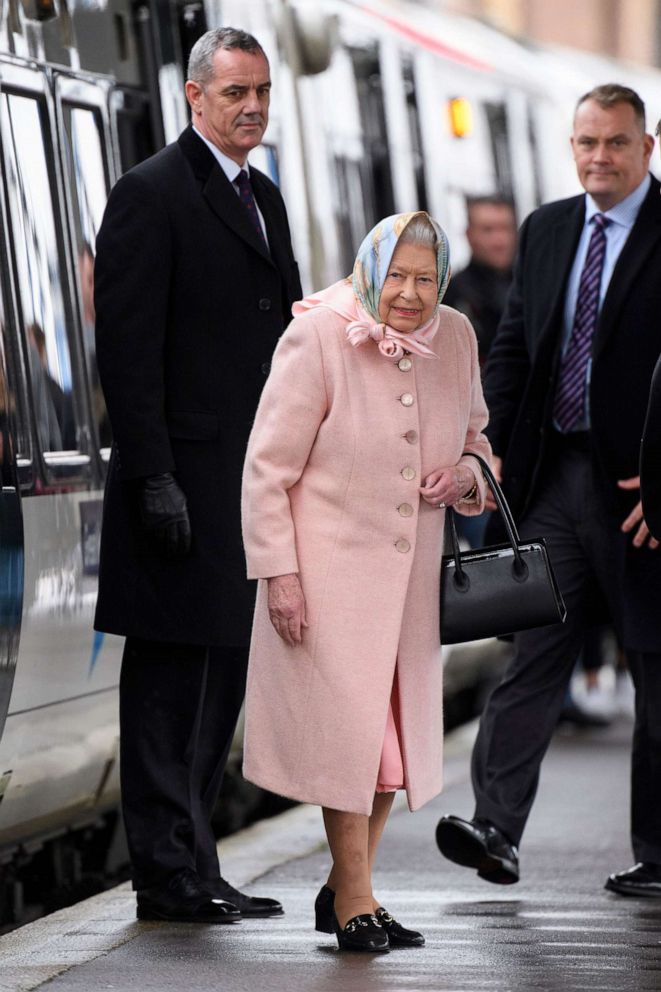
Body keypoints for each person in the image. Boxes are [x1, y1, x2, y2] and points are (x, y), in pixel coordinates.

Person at [93, 27, 301, 924]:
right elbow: (126, 352)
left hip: (243, 486)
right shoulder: (149, 195)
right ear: (193, 97)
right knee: (169, 688)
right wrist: (153, 479)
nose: (250, 106)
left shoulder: (264, 198)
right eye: (233, 94)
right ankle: (165, 877)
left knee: (219, 682)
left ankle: (199, 864)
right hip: (177, 489)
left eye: (259, 91)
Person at [241, 211, 491, 952]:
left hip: (407, 590)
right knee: (358, 745)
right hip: (326, 583)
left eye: (424, 278)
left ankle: (347, 889)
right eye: (397, 276)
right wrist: (278, 574)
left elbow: (477, 439)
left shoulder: (456, 336)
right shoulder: (317, 333)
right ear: (370, 268)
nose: (410, 294)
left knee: (385, 753)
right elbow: (266, 470)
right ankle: (354, 899)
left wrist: (468, 476)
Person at [435, 83, 661, 898]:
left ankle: (658, 852)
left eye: (613, 143)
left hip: (640, 488)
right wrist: (483, 444)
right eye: (585, 143)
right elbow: (514, 346)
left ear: (646, 145)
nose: (596, 158)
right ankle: (494, 827)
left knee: (654, 666)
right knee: (532, 652)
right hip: (555, 479)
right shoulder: (547, 229)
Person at [443, 195, 516, 366]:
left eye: (505, 229)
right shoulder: (452, 293)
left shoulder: (534, 284)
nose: (499, 241)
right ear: (469, 235)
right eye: (488, 230)